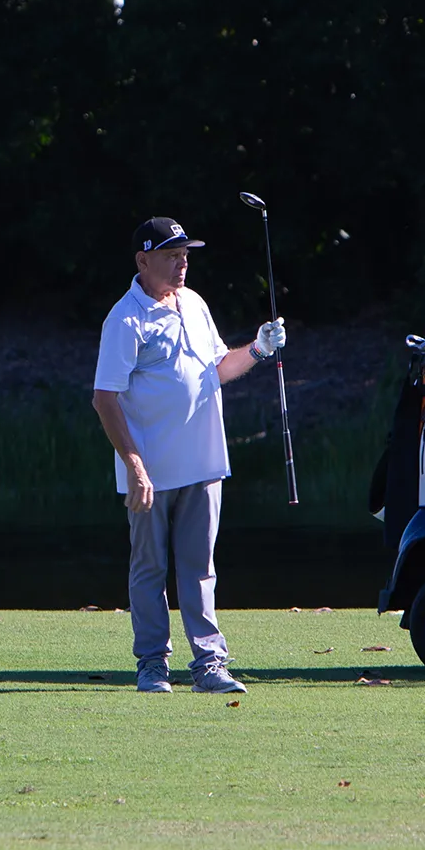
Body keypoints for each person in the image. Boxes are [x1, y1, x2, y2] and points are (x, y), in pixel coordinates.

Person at [91, 216, 286, 693]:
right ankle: (152, 665)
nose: (182, 264)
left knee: (200, 570)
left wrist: (259, 349)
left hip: (204, 463)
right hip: (152, 472)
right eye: (171, 256)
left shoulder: (194, 304)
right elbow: (104, 398)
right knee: (149, 570)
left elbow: (218, 368)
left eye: (184, 255)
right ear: (143, 261)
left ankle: (209, 665)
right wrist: (135, 466)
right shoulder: (125, 319)